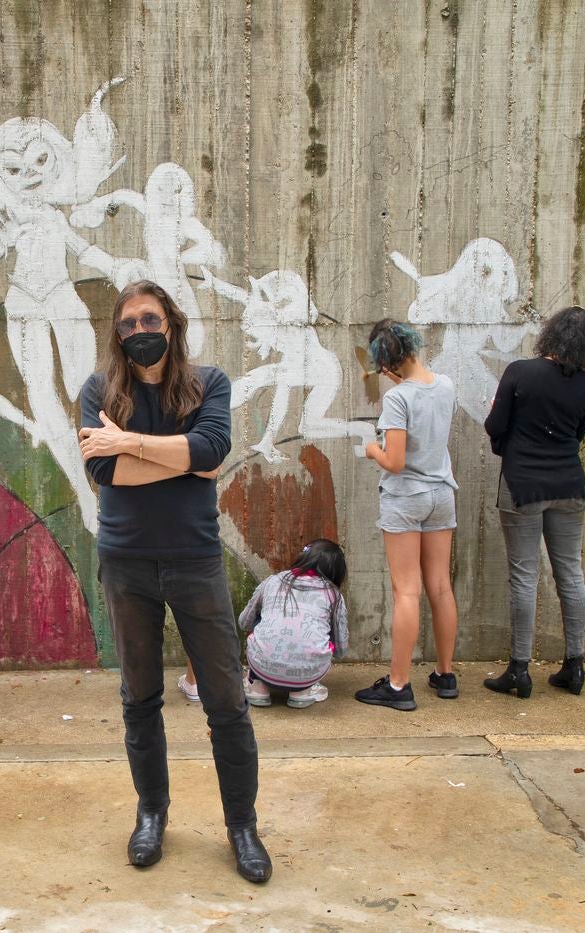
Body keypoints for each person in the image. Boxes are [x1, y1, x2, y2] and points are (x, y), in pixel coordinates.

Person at [78, 280, 270, 884]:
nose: (140, 331)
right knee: (140, 699)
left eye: (150, 319)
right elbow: (104, 470)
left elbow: (213, 450)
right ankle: (151, 815)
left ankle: (242, 826)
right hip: (126, 562)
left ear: (172, 324)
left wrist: (131, 442)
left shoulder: (207, 384)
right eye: (129, 322)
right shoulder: (98, 390)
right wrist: (178, 457)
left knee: (227, 702)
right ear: (117, 331)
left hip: (194, 560)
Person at [482, 307, 585, 698]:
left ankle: (519, 669)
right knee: (570, 572)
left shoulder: (520, 372)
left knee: (524, 575)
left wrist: (513, 446)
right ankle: (575, 665)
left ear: (551, 334)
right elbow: (577, 435)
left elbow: (495, 427)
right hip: (570, 486)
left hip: (522, 487)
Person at [356, 319, 459, 711]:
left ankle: (398, 685)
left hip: (406, 498)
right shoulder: (445, 385)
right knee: (440, 585)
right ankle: (445, 674)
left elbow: (395, 461)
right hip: (441, 494)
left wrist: (372, 451)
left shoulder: (398, 400)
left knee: (406, 591)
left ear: (387, 363)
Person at [238, 538, 350, 709]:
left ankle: (257, 686)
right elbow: (341, 650)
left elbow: (244, 622)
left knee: (260, 620)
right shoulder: (334, 595)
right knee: (322, 631)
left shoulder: (273, 581)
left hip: (262, 666)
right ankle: (302, 691)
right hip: (307, 674)